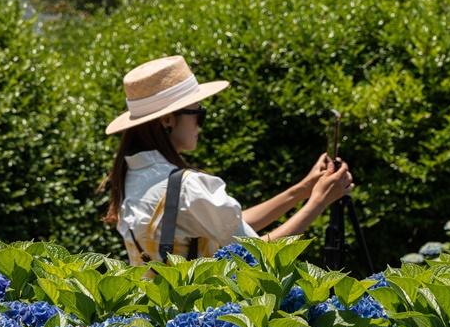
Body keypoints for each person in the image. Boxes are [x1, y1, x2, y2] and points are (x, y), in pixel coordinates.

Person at [101, 55, 353, 266]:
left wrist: (304, 189)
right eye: (198, 113)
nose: (200, 125)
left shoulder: (131, 178)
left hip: (157, 319)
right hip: (206, 320)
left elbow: (228, 224)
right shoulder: (187, 186)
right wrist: (319, 201)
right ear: (167, 120)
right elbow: (256, 254)